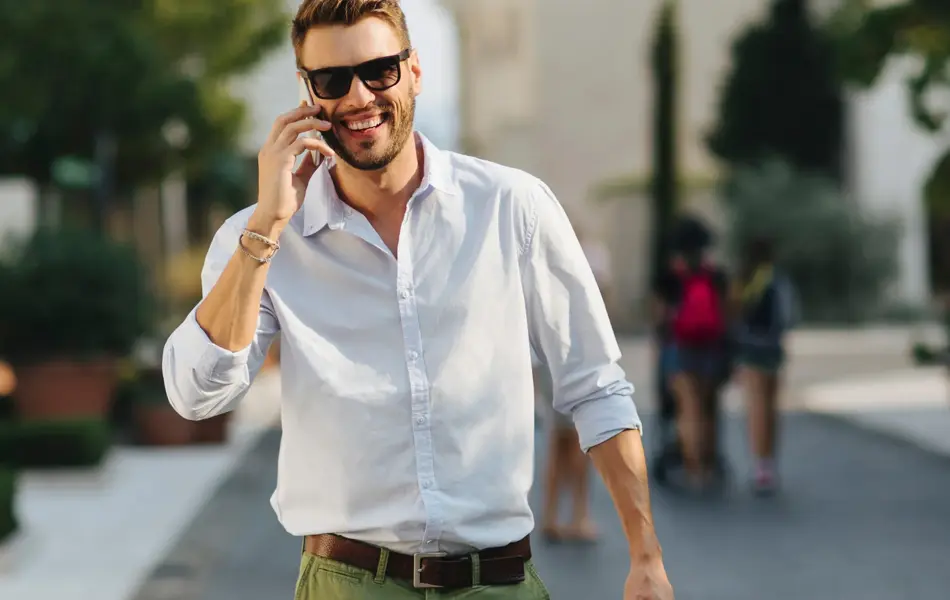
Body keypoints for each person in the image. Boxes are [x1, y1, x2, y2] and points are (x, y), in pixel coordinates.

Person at [161, 2, 673, 598]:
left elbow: (595, 387)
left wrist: (646, 557)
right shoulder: (263, 238)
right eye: (332, 80)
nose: (358, 97)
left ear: (415, 72)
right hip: (349, 584)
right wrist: (267, 229)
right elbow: (197, 396)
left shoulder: (513, 208)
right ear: (307, 95)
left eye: (379, 70)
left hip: (498, 582)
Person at [538, 231, 612, 543]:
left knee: (559, 442)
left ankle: (552, 514)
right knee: (582, 441)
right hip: (576, 360)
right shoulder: (588, 260)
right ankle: (578, 515)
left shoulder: (539, 264)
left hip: (549, 360)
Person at [651, 220, 729, 489]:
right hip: (710, 347)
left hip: (679, 347)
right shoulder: (716, 275)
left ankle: (692, 466)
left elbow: (660, 315)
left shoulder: (670, 277)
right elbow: (726, 312)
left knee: (687, 408)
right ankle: (708, 465)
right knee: (708, 408)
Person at [733, 237, 796, 495]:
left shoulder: (744, 279)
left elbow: (733, 313)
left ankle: (759, 464)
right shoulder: (777, 279)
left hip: (749, 350)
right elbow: (789, 315)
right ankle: (770, 462)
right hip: (773, 349)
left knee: (756, 407)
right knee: (771, 407)